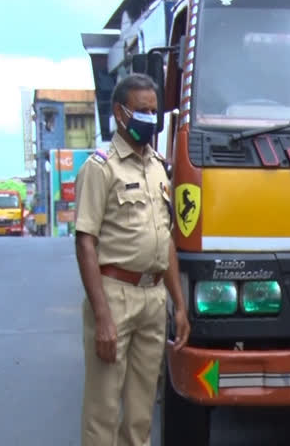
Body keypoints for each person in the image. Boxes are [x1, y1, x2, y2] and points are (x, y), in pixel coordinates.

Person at [74, 73, 190, 446]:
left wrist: (180, 305)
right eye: (141, 111)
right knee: (103, 411)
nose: (150, 120)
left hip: (153, 297)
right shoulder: (100, 167)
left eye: (154, 112)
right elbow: (85, 242)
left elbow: (167, 238)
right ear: (119, 113)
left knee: (141, 414)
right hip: (115, 295)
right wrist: (103, 316)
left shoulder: (158, 166)